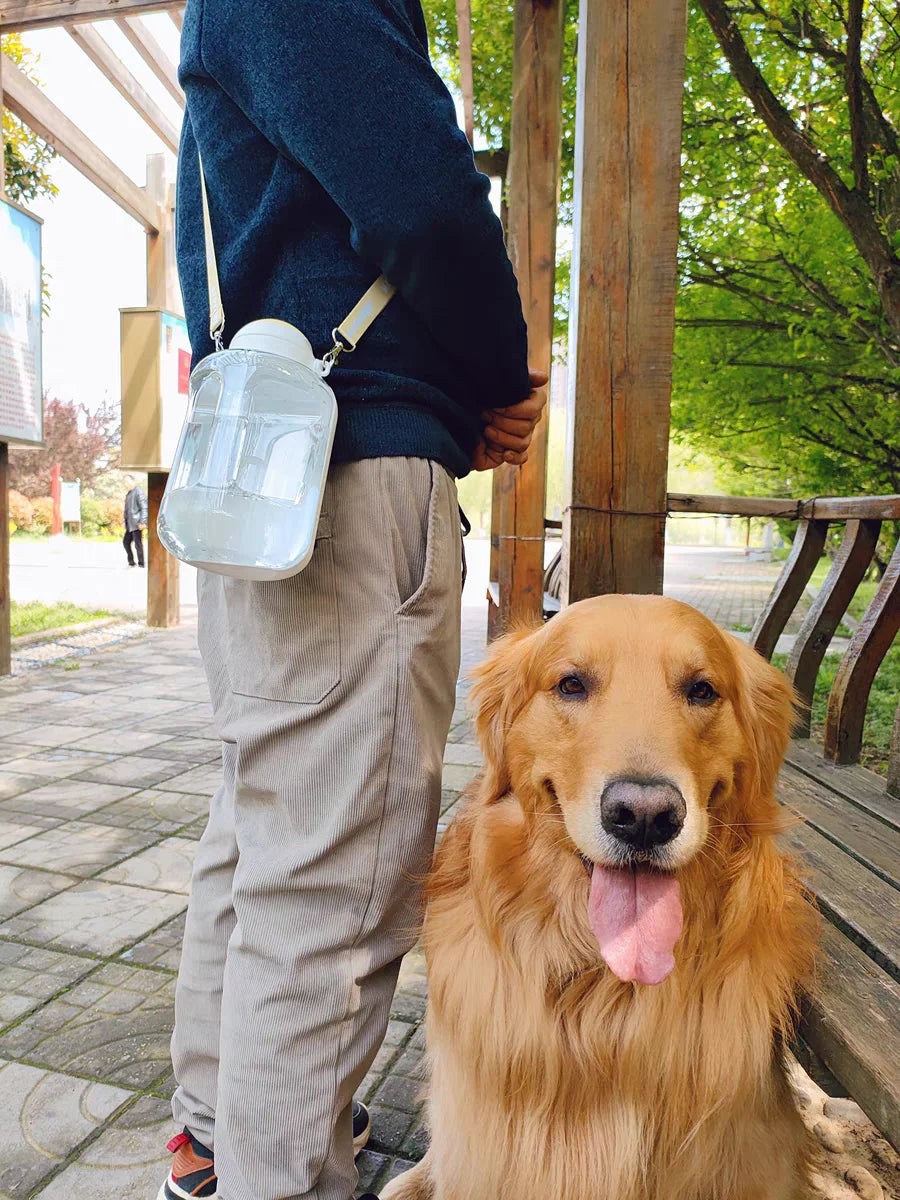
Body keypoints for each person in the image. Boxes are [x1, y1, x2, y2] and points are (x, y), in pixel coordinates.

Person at [160, 3, 546, 1199]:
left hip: (271, 477)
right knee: (336, 886)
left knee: (268, 834)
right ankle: (287, 1173)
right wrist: (492, 377)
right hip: (353, 470)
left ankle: (221, 1141)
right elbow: (424, 196)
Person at [122, 474, 147, 568]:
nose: (126, 484)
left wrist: (143, 521)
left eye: (127, 482)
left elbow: (144, 507)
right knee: (126, 542)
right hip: (130, 524)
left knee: (138, 544)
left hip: (137, 523)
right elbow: (127, 510)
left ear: (133, 481)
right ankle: (131, 562)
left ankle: (141, 564)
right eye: (124, 482)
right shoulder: (129, 493)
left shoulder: (138, 492)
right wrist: (125, 522)